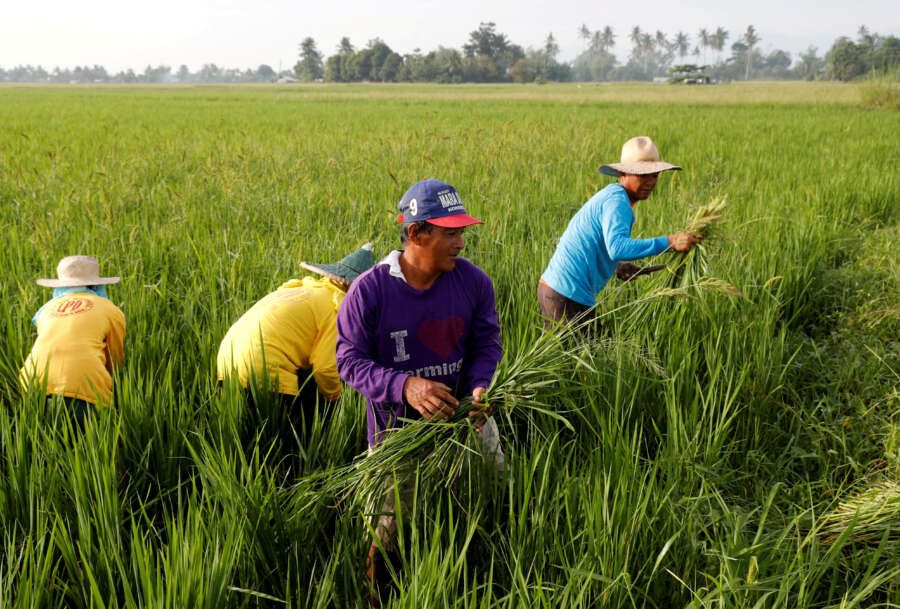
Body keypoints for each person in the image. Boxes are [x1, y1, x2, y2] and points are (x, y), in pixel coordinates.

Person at [335, 178, 504, 589]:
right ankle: (381, 593)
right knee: (388, 530)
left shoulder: (474, 283)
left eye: (462, 231)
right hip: (398, 435)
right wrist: (405, 386)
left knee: (491, 501)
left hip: (466, 423)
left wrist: (480, 387)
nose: (461, 242)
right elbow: (348, 361)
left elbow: (488, 344)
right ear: (416, 233)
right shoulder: (369, 291)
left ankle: (481, 575)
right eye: (450, 232)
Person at [539, 136, 702, 329]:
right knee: (592, 356)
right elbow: (617, 247)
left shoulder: (613, 195)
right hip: (566, 295)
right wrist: (670, 242)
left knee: (583, 354)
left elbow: (599, 241)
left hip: (557, 290)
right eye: (643, 175)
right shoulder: (618, 202)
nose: (651, 182)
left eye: (655, 175)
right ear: (624, 173)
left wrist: (618, 265)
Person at [216, 244, 374, 435]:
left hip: (226, 362)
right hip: (264, 369)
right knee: (286, 442)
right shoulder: (337, 306)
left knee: (243, 436)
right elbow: (325, 367)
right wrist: (337, 405)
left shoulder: (305, 289)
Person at [20, 255, 126, 427]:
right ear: (96, 284)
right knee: (97, 439)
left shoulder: (45, 310)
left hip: (32, 382)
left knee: (46, 438)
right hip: (83, 382)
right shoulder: (110, 310)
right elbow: (114, 357)